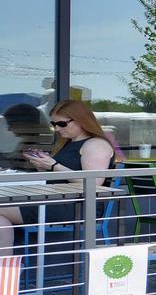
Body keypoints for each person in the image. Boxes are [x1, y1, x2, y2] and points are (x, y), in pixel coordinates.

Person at [0, 100, 116, 256]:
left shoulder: (95, 145)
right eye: (54, 124)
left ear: (80, 119)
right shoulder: (70, 143)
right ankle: (6, 270)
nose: (57, 129)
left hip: (76, 207)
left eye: (62, 124)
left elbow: (93, 183)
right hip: (56, 200)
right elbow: (60, 177)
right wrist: (42, 164)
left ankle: (7, 268)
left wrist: (53, 165)